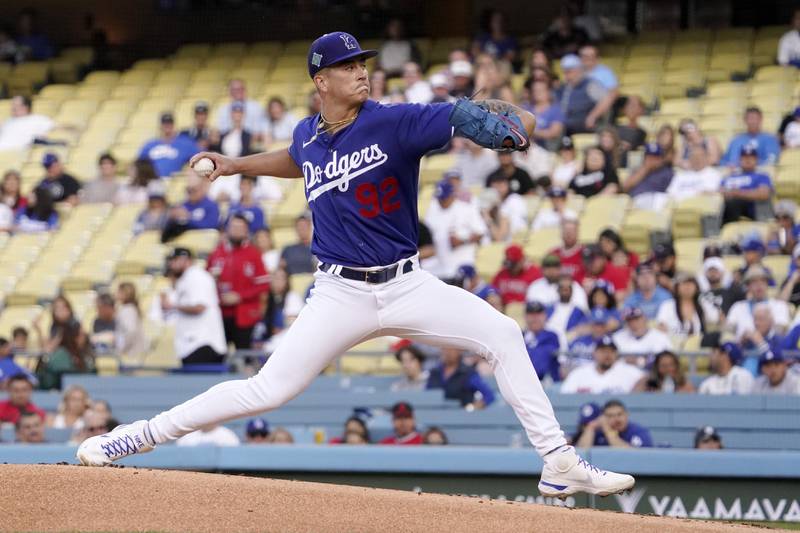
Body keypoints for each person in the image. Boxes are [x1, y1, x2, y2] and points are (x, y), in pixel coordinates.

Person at [78, 31, 633, 498]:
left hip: (407, 283)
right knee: (264, 390)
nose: (361, 73)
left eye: (362, 64)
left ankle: (558, 462)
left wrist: (499, 116)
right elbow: (299, 158)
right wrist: (236, 164)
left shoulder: (398, 122)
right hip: (339, 294)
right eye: (347, 67)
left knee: (505, 334)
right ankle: (134, 437)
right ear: (322, 81)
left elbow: (520, 126)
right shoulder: (308, 133)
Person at [207, 215, 270, 351]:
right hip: (219, 315)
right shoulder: (216, 253)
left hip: (245, 315)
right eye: (234, 227)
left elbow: (263, 284)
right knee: (219, 355)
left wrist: (239, 296)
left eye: (241, 227)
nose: (237, 231)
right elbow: (206, 282)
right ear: (227, 229)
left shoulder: (254, 254)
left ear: (247, 230)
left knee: (245, 356)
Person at [160, 247, 227, 366]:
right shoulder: (186, 278)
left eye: (174, 260)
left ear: (185, 260)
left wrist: (173, 306)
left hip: (203, 344)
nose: (171, 264)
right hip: (193, 344)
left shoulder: (196, 276)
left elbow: (199, 307)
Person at [425, 179, 487, 282]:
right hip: (437, 267)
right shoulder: (433, 210)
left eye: (444, 198)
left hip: (461, 264)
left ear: (452, 195)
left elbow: (480, 232)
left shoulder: (466, 209)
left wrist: (463, 240)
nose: (441, 201)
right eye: (440, 199)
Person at [727, 266, 791, 341]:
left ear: (767, 284)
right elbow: (728, 332)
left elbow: (781, 331)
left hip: (771, 348)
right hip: (743, 348)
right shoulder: (738, 307)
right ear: (748, 286)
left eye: (763, 281)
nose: (759, 285)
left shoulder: (779, 305)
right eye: (754, 282)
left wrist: (759, 338)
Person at [560, 336, 643, 394]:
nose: (607, 355)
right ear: (594, 353)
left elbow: (650, 378)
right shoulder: (579, 373)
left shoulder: (629, 371)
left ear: (616, 354)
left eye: (611, 351)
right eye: (603, 351)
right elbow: (565, 395)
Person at [554, 54, 607, 135]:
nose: (567, 76)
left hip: (586, 124)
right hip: (566, 125)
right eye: (565, 72)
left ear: (579, 70)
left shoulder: (590, 84)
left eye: (570, 72)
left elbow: (605, 101)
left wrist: (593, 116)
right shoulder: (564, 87)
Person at [720, 145, 773, 224]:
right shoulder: (730, 176)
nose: (747, 160)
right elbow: (720, 191)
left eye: (751, 157)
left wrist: (737, 193)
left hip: (752, 207)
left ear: (756, 160)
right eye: (744, 157)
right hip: (727, 206)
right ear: (740, 159)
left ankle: (727, 227)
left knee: (733, 202)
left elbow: (764, 194)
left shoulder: (762, 176)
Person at [427, 347, 496, 408]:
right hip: (435, 417)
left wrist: (473, 408)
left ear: (460, 350)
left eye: (452, 348)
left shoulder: (468, 373)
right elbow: (426, 395)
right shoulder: (434, 372)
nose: (448, 352)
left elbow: (489, 395)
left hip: (461, 418)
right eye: (445, 348)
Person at [656, 274, 719, 338]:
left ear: (696, 287)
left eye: (691, 283)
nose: (687, 286)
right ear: (677, 287)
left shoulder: (703, 304)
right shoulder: (667, 305)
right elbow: (661, 327)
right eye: (683, 283)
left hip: (697, 344)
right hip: (673, 344)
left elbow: (719, 318)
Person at [138, 112, 200, 178]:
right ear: (160, 125)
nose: (167, 126)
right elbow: (139, 164)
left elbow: (199, 157)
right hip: (153, 181)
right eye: (164, 123)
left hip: (174, 181)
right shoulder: (150, 145)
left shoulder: (185, 143)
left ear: (173, 124)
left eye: (169, 123)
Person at [37, 324, 96, 390]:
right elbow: (53, 379)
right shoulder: (61, 354)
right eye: (81, 335)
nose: (84, 338)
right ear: (73, 337)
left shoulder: (85, 354)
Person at [575, 400, 653, 449]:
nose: (616, 419)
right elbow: (581, 456)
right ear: (603, 418)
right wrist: (591, 428)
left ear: (627, 414)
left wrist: (609, 432)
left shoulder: (638, 432)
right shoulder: (598, 432)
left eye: (619, 414)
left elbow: (635, 457)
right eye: (610, 416)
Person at [163, 174, 220, 240]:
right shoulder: (182, 205)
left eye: (194, 190)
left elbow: (211, 226)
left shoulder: (211, 205)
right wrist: (171, 218)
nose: (191, 193)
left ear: (202, 188)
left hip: (201, 241)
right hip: (181, 241)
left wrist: (187, 218)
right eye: (188, 190)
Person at [621, 142, 674, 210]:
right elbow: (625, 187)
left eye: (656, 157)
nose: (652, 160)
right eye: (649, 157)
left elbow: (672, 193)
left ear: (661, 159)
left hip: (656, 200)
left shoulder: (667, 172)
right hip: (636, 200)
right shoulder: (638, 170)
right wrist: (645, 169)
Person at [522, 301, 561, 382]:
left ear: (545, 316)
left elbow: (541, 365)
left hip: (547, 383)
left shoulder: (552, 336)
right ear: (525, 317)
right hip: (522, 382)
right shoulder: (519, 336)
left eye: (538, 314)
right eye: (531, 314)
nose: (535, 318)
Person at [526, 79, 564, 150]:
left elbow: (554, 132)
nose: (537, 93)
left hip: (547, 149)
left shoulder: (556, 110)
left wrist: (532, 132)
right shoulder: (526, 108)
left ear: (548, 92)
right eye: (535, 90)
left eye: (540, 90)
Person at [115, 282, 148, 362]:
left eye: (118, 291)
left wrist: (122, 349)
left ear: (124, 293)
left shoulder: (127, 310)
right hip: (134, 353)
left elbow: (131, 331)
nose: (115, 293)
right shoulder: (131, 308)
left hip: (131, 355)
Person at [549, 217, 585, 283]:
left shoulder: (585, 253)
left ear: (577, 233)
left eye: (572, 231)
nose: (569, 234)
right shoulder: (553, 254)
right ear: (561, 233)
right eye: (566, 231)